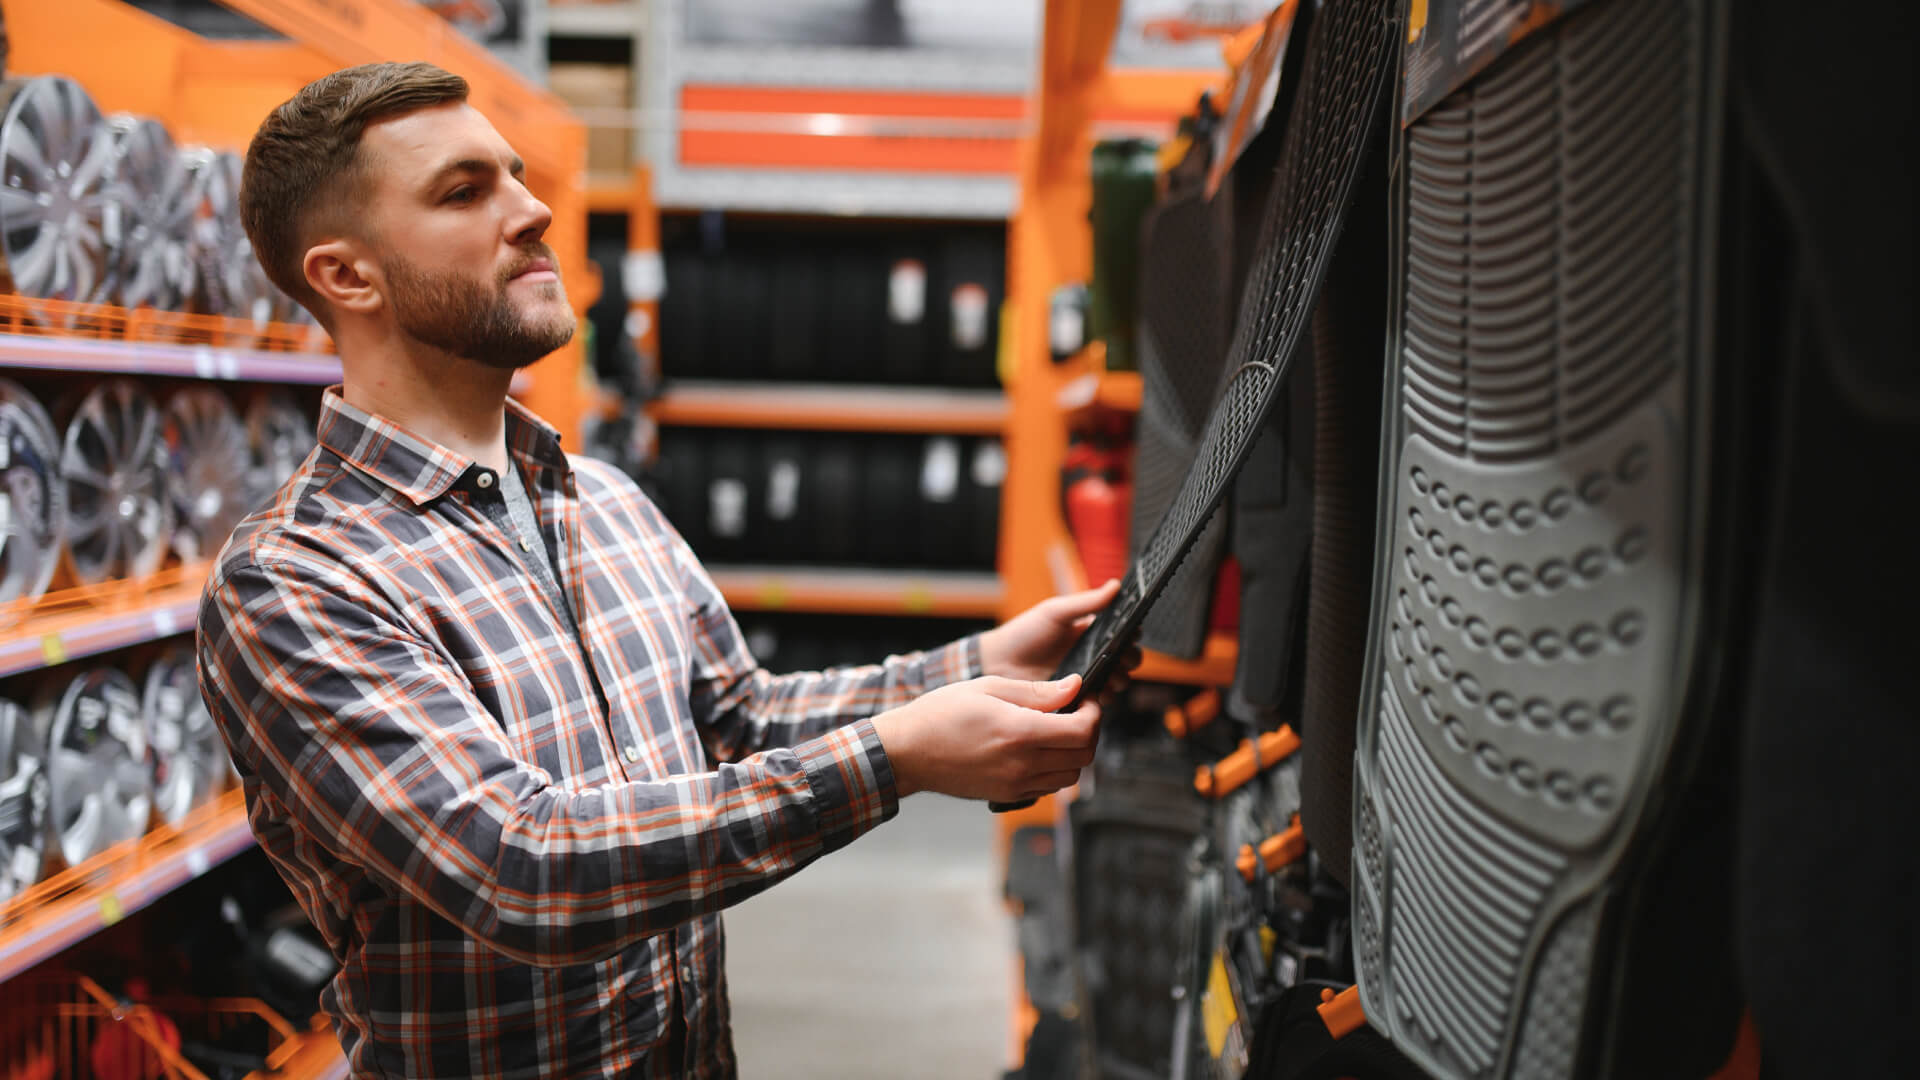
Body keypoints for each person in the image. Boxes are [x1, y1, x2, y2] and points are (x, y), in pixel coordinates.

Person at [196, 62, 1120, 1079]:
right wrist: (895, 759)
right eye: (464, 192)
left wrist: (979, 667)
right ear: (347, 277)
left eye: (516, 175)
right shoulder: (298, 581)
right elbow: (522, 868)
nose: (534, 210)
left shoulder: (601, 500)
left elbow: (739, 720)